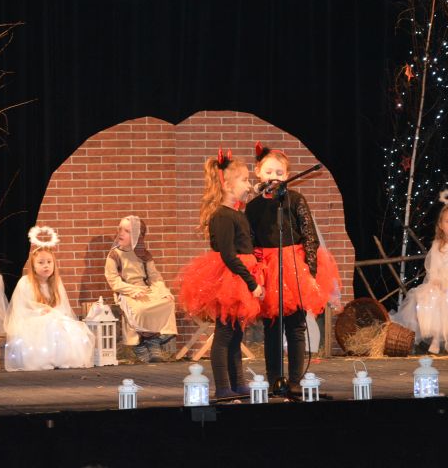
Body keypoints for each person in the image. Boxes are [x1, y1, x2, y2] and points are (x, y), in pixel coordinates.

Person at [245, 142, 339, 395]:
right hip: (268, 268)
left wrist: (310, 271)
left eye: (279, 173)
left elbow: (310, 236)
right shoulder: (253, 207)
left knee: (296, 326)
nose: (274, 176)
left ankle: (296, 380)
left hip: (295, 268)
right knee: (272, 328)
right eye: (268, 172)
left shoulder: (295, 200)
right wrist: (256, 271)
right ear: (258, 172)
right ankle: (275, 379)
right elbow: (250, 241)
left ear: (287, 175)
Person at [179, 149, 265, 399]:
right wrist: (251, 283)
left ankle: (238, 383)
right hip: (232, 279)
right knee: (225, 334)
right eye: (244, 180)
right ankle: (223, 386)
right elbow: (228, 255)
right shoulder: (222, 216)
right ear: (227, 185)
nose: (248, 185)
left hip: (240, 276)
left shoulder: (237, 213)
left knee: (236, 334)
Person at [392, 190, 448, 355]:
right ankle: (436, 337)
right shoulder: (437, 245)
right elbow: (433, 268)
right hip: (442, 283)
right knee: (430, 297)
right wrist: (436, 281)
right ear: (441, 225)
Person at [4, 226, 94, 370]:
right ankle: (43, 359)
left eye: (49, 262)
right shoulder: (25, 282)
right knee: (48, 324)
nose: (46, 266)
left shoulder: (56, 283)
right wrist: (40, 312)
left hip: (52, 318)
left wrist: (54, 313)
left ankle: (63, 358)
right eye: (41, 263)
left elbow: (62, 307)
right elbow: (21, 307)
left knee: (68, 326)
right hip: (30, 320)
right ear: (33, 266)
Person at [104, 215, 177, 363]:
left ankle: (153, 340)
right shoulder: (114, 255)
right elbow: (113, 280)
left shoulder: (143, 254)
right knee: (140, 309)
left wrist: (163, 291)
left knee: (167, 302)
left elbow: (154, 277)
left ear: (137, 236)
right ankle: (140, 343)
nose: (121, 233)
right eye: (120, 229)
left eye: (127, 231)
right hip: (126, 291)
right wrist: (132, 290)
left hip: (145, 289)